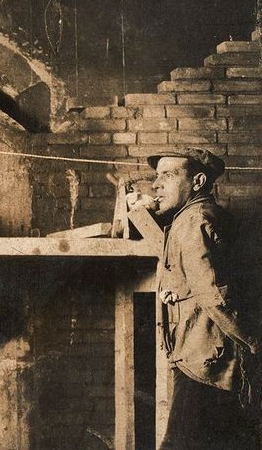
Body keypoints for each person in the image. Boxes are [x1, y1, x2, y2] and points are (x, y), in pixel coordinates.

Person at [131, 148, 259, 448]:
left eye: (168, 175)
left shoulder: (193, 221)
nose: (156, 184)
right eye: (156, 176)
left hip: (204, 362)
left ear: (198, 181)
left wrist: (254, 341)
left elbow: (214, 295)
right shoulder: (191, 218)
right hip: (205, 357)